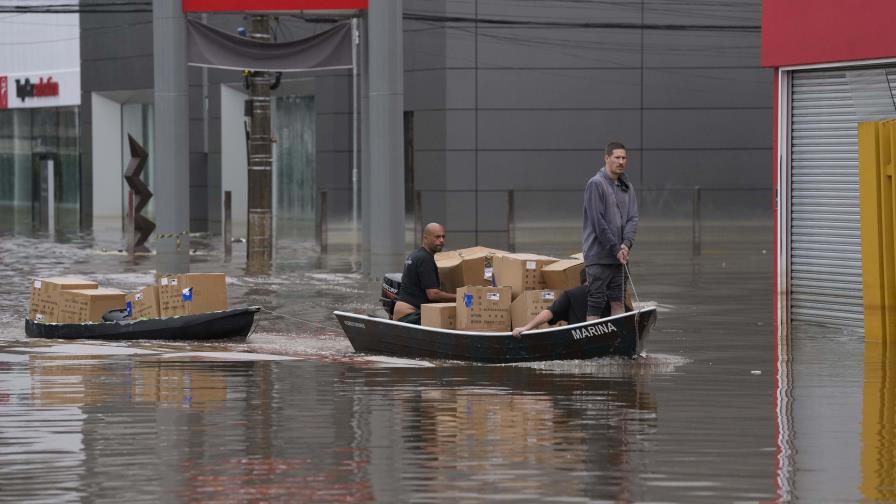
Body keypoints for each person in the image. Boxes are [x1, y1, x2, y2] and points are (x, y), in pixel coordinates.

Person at [582, 141, 639, 320]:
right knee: (596, 302)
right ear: (607, 158)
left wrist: (626, 244)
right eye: (617, 157)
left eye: (624, 158)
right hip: (599, 257)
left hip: (620, 256)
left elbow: (633, 218)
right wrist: (615, 248)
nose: (621, 161)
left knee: (618, 300)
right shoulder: (595, 184)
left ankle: (617, 342)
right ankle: (591, 344)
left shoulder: (626, 186)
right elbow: (598, 222)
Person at [392, 222, 457, 324]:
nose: (441, 240)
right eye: (437, 237)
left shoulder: (416, 255)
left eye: (443, 237)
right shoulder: (425, 259)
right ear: (425, 238)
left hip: (404, 314)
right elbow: (433, 294)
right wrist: (460, 297)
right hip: (410, 316)